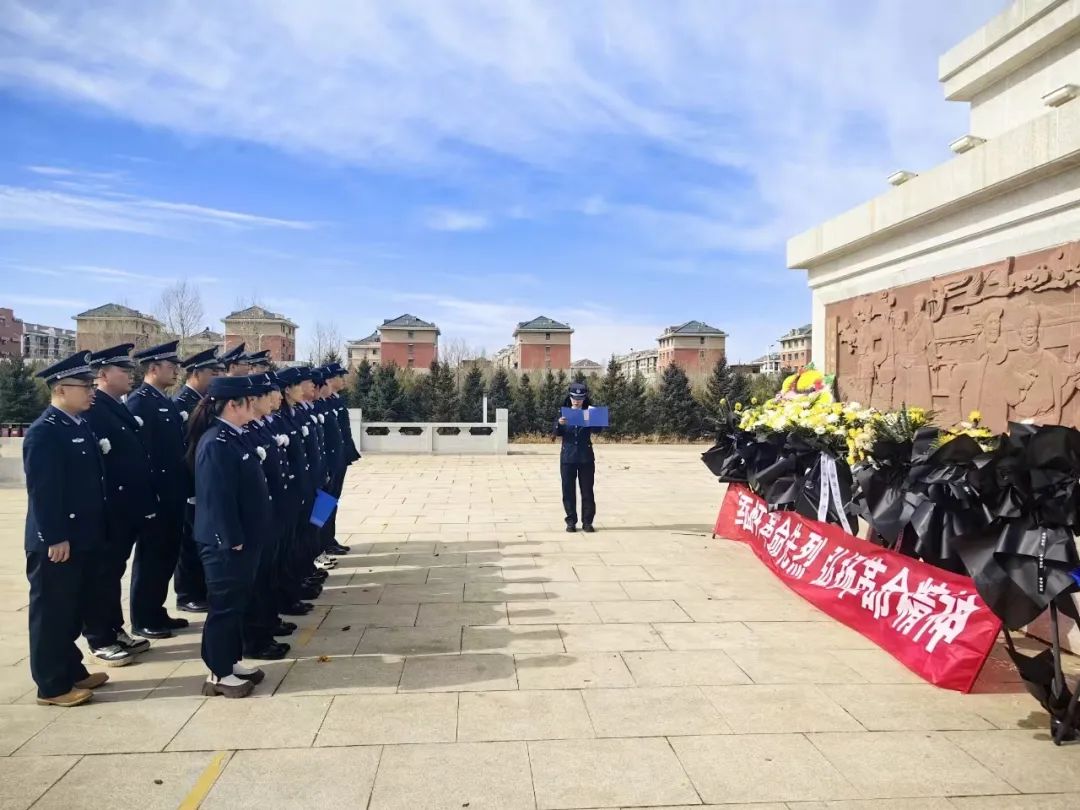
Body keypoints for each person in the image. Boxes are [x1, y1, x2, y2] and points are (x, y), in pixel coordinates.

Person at [24, 351, 110, 706]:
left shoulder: (78, 425)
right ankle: (52, 685)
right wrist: (54, 536)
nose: (92, 391)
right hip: (58, 541)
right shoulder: (45, 433)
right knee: (52, 612)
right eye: (85, 385)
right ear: (61, 388)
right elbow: (43, 492)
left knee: (73, 608)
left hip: (82, 536)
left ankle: (72, 669)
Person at [186, 375, 271, 698]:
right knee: (223, 606)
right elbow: (216, 497)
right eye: (250, 401)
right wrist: (230, 537)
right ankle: (217, 672)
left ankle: (231, 661)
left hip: (243, 538)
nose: (256, 405)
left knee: (236, 603)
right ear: (233, 405)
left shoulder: (236, 436)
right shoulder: (215, 442)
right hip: (225, 542)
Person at [81, 344, 156, 666]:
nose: (131, 375)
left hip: (127, 506)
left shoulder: (117, 405)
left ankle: (114, 628)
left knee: (114, 573)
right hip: (109, 508)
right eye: (123, 371)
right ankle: (99, 636)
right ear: (102, 374)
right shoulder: (92, 410)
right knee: (101, 574)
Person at [127, 340, 190, 639]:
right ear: (153, 369)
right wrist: (148, 498)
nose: (176, 371)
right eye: (170, 366)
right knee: (151, 558)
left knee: (166, 555)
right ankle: (143, 617)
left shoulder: (163, 400)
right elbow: (142, 456)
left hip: (172, 494)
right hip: (157, 496)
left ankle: (157, 610)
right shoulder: (140, 402)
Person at [239, 373, 293, 660]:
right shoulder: (234, 434)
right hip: (268, 509)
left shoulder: (268, 423)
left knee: (298, 542)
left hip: (307, 488)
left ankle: (272, 616)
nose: (278, 398)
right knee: (259, 576)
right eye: (270, 394)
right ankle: (259, 633)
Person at [173, 347, 225, 614]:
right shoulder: (183, 403)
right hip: (192, 483)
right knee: (191, 542)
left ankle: (199, 589)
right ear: (196, 373)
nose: (216, 376)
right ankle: (187, 593)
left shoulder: (204, 399)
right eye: (212, 372)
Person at [320, 362, 358, 555]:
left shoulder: (335, 400)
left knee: (331, 501)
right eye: (340, 377)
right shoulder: (321, 404)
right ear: (329, 379)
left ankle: (328, 538)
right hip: (327, 462)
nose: (343, 380)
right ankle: (321, 542)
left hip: (338, 459)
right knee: (323, 503)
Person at [554, 381, 600, 533]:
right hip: (568, 457)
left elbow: (598, 430)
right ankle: (571, 521)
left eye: (580, 398)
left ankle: (587, 522)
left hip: (585, 457)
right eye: (574, 397)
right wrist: (559, 424)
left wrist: (593, 420)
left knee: (587, 490)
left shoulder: (590, 412)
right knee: (568, 490)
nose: (577, 400)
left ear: (584, 398)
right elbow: (555, 433)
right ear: (570, 397)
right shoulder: (563, 412)